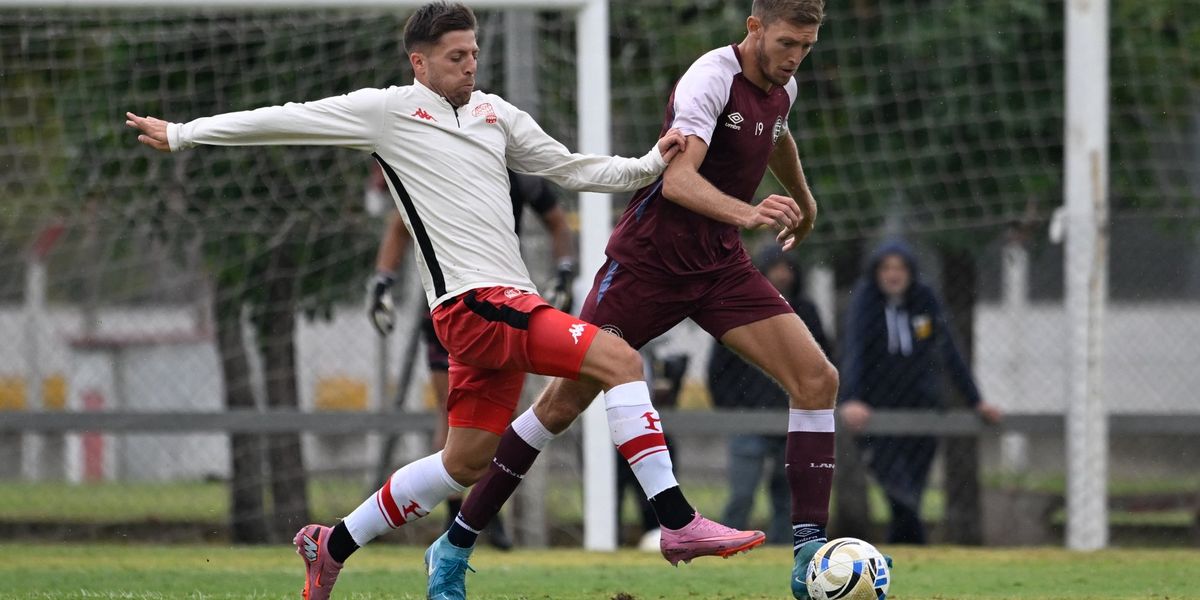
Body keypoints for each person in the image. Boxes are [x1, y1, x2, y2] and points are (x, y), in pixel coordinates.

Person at [124, 4, 750, 600]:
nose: (469, 66)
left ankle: (331, 543)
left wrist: (646, 163)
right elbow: (286, 117)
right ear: (419, 64)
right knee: (620, 361)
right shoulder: (385, 113)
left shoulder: (495, 115)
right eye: (455, 57)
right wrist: (183, 134)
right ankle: (675, 518)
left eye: (473, 53)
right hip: (473, 304)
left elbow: (572, 168)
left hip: (504, 306)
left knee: (465, 464)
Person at [441, 2, 841, 598]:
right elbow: (676, 180)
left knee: (817, 380)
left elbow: (777, 133)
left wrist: (804, 201)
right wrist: (750, 212)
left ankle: (810, 557)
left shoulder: (783, 86)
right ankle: (453, 545)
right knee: (559, 407)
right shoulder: (710, 78)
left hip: (718, 269)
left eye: (805, 47)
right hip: (646, 267)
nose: (794, 58)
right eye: (786, 43)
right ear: (754, 27)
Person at [367, 163, 577, 551]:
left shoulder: (516, 173)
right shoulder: (440, 165)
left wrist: (565, 271)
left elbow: (557, 221)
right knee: (452, 417)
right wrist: (383, 280)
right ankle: (456, 517)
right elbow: (400, 225)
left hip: (500, 307)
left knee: (497, 419)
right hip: (449, 308)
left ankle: (479, 512)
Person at [838, 240, 1002, 545]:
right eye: (886, 268)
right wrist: (852, 398)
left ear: (911, 271)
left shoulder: (925, 298)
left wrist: (976, 400)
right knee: (895, 485)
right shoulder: (865, 300)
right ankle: (917, 540)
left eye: (899, 268)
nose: (893, 275)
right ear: (876, 272)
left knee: (913, 486)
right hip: (878, 406)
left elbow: (950, 350)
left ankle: (906, 546)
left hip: (922, 404)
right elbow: (855, 349)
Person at [708, 246, 831, 546]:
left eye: (788, 268)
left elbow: (823, 362)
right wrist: (736, 408)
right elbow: (718, 369)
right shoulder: (738, 309)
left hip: (791, 419)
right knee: (742, 494)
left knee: (787, 497)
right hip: (748, 419)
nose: (782, 275)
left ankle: (783, 551)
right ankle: (728, 547)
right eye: (775, 268)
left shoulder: (806, 312)